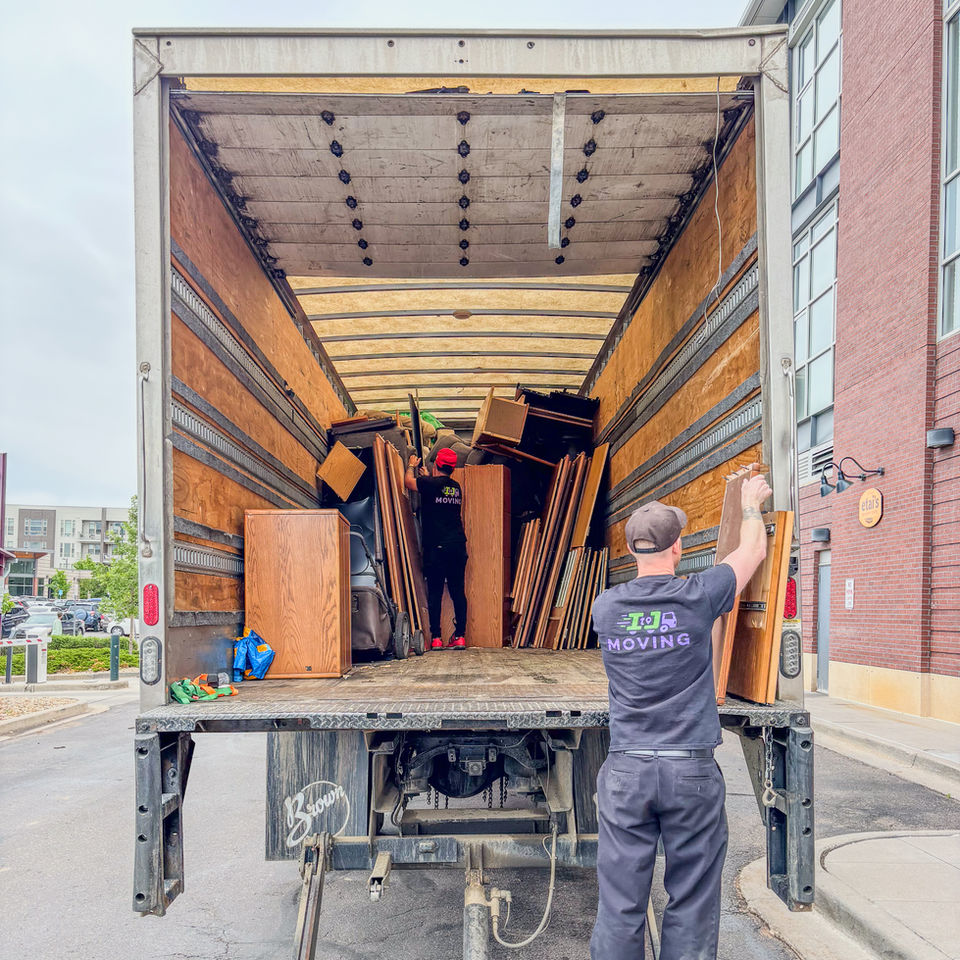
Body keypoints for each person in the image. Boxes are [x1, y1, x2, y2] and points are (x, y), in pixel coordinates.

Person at [589, 472, 772, 960]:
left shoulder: (606, 607)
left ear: (633, 551)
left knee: (620, 905)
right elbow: (752, 550)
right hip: (689, 771)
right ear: (677, 547)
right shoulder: (699, 595)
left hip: (627, 771)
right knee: (692, 902)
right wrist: (750, 504)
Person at [404, 447, 468, 650]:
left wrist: (411, 466)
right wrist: (427, 478)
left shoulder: (429, 484)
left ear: (436, 465)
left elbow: (408, 482)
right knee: (458, 591)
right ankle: (460, 637)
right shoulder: (456, 487)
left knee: (435, 592)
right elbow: (438, 490)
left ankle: (437, 638)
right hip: (457, 546)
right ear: (452, 468)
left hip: (436, 547)